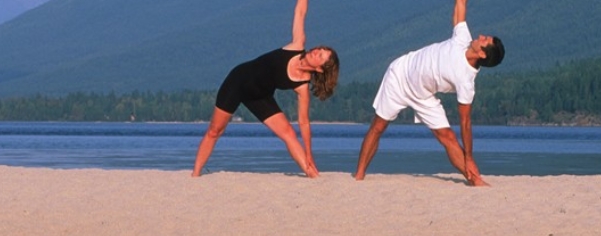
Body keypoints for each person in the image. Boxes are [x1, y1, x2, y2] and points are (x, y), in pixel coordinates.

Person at [354, 0, 504, 186]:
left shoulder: (466, 81)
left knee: (448, 137)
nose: (480, 36)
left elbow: (465, 122)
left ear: (482, 54)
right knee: (378, 126)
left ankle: (475, 180)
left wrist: (469, 156)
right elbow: (460, 5)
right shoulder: (462, 39)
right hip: (399, 75)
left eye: (484, 40)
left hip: (423, 97)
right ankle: (358, 176)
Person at [191, 0, 340, 178]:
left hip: (259, 97)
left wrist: (309, 153)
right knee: (215, 131)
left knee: (289, 133)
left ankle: (311, 174)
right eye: (320, 49)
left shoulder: (302, 87)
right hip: (238, 81)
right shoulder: (296, 45)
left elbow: (304, 123)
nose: (317, 50)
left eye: (321, 55)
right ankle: (195, 174)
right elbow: (300, 12)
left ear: (320, 69)